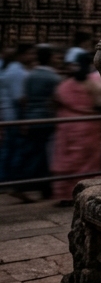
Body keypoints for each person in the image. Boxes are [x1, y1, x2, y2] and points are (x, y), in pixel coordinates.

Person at [51, 52, 101, 204]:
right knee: (87, 161)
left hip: (66, 126)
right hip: (88, 127)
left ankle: (64, 193)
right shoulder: (92, 85)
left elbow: (54, 103)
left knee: (66, 159)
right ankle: (86, 190)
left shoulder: (64, 85)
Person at [19, 45, 61, 199]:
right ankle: (29, 185)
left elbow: (24, 99)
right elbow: (56, 100)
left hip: (31, 117)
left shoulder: (30, 75)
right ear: (49, 58)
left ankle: (43, 186)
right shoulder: (54, 78)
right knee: (42, 154)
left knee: (35, 152)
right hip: (46, 118)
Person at [0, 43, 36, 182]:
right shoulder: (17, 71)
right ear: (22, 55)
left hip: (8, 113)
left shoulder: (13, 69)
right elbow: (20, 98)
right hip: (13, 115)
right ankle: (10, 179)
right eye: (30, 53)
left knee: (8, 148)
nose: (33, 57)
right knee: (13, 149)